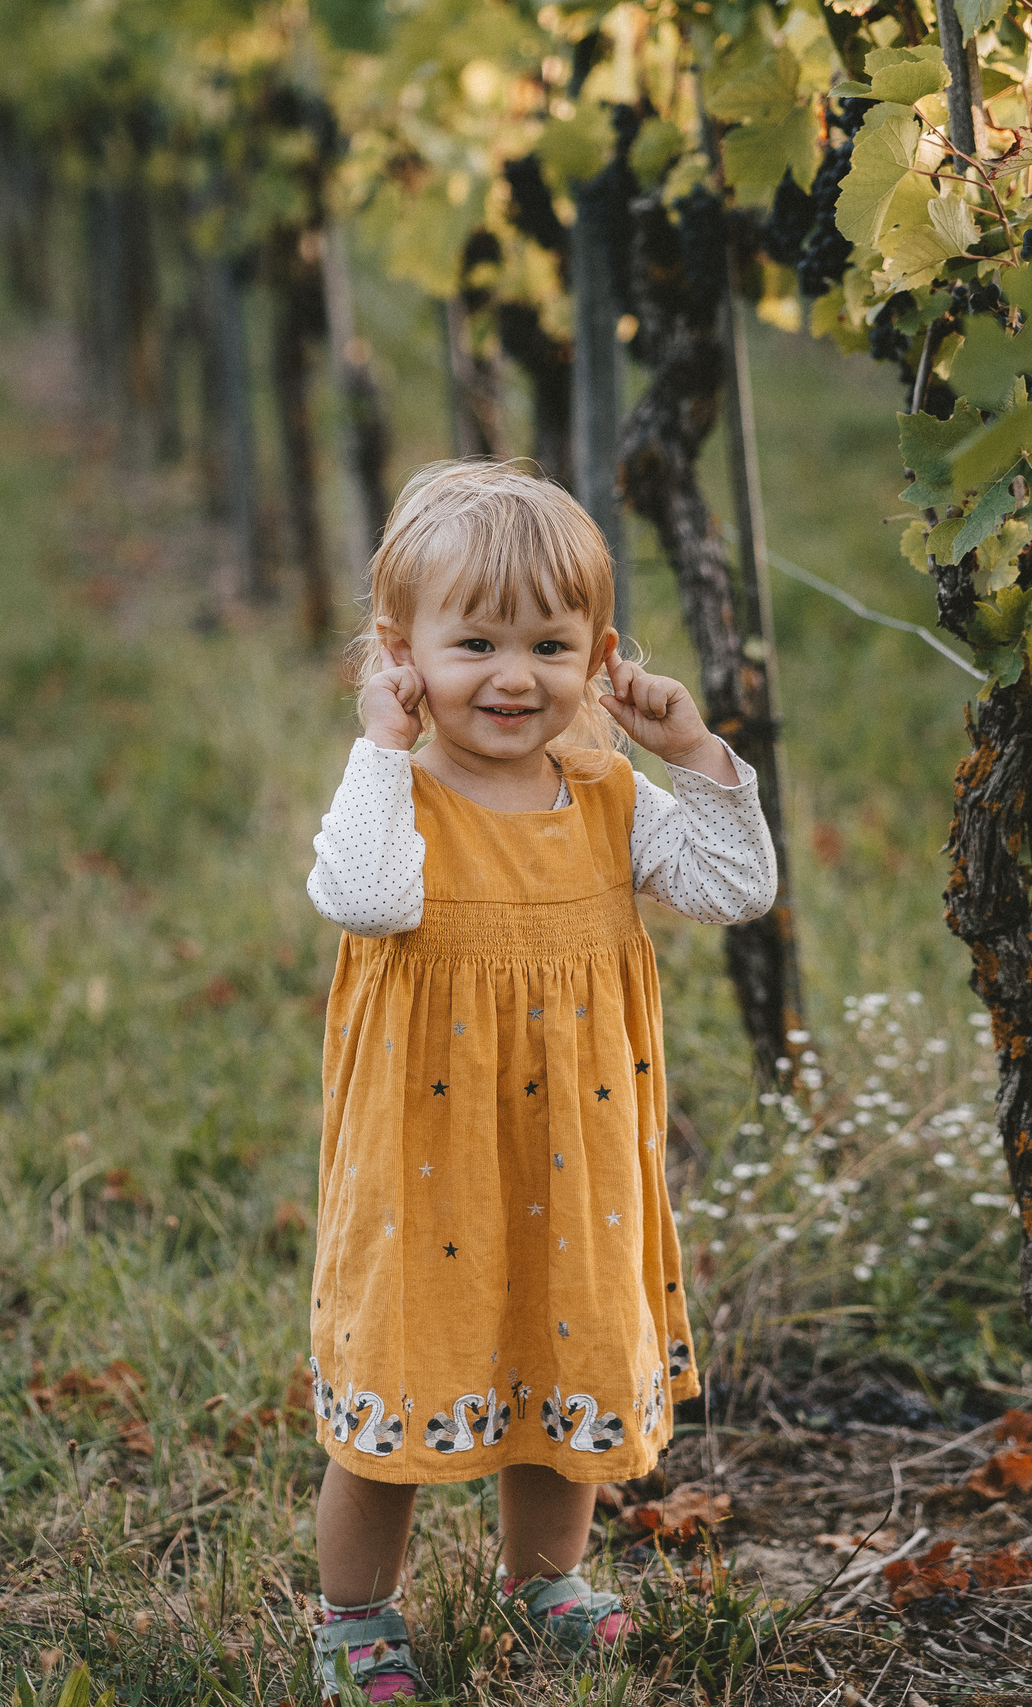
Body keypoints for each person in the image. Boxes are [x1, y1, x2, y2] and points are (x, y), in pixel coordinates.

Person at [302, 460, 779, 1699]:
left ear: (599, 655)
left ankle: (544, 1581)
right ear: (398, 654)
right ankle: (354, 1614)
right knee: (405, 1382)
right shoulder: (395, 801)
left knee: (563, 1355)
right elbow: (362, 898)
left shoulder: (609, 794)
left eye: (548, 645)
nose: (514, 678)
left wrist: (693, 749)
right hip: (427, 1163)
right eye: (472, 644)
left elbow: (738, 890)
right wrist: (378, 739)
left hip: (578, 1155)